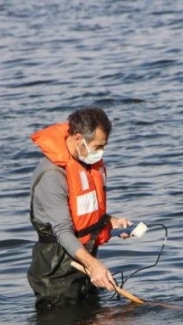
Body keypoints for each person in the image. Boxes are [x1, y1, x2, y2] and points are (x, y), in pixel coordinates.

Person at [27, 107, 132, 310]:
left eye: (104, 147)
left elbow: (83, 212)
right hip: (56, 276)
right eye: (97, 146)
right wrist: (94, 266)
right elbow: (63, 231)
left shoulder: (84, 162)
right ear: (78, 139)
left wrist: (111, 222)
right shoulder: (52, 176)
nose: (100, 153)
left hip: (85, 269)